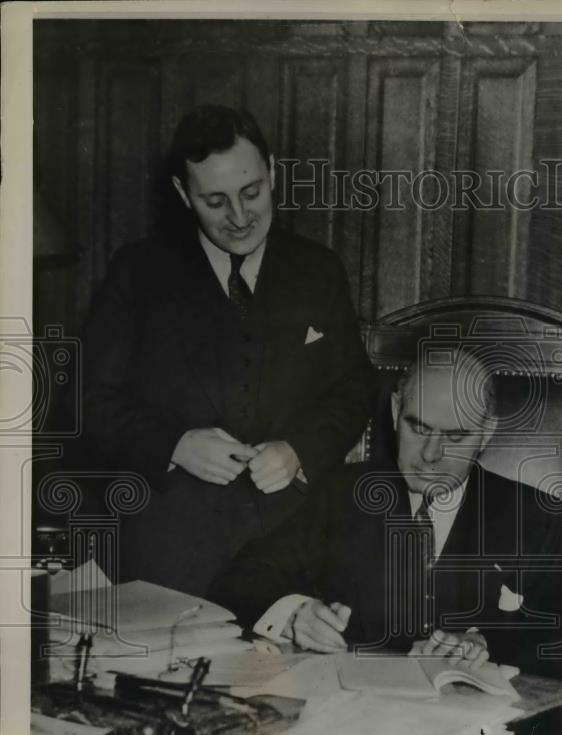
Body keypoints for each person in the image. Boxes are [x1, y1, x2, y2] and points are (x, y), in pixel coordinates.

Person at [80, 106, 376, 596]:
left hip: (293, 550)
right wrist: (174, 444)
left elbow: (355, 385)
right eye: (215, 201)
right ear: (182, 194)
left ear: (273, 173)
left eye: (252, 193)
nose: (239, 218)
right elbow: (86, 401)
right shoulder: (139, 272)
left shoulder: (318, 271)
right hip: (167, 553)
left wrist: (299, 448)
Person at [208, 347, 562, 675]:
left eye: (456, 436)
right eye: (418, 427)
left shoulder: (533, 517)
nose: (431, 455)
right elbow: (240, 579)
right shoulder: (343, 494)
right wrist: (294, 614)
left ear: (486, 433)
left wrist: (485, 644)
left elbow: (557, 638)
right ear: (396, 411)